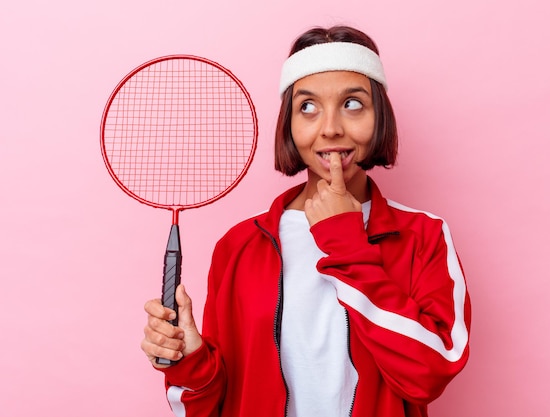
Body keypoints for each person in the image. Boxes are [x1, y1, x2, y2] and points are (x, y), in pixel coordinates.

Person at [141, 25, 471, 417]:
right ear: (289, 124)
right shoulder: (239, 246)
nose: (330, 127)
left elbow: (430, 373)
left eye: (352, 104)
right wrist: (191, 361)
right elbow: (208, 407)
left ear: (379, 116)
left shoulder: (423, 235)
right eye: (308, 107)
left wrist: (346, 242)